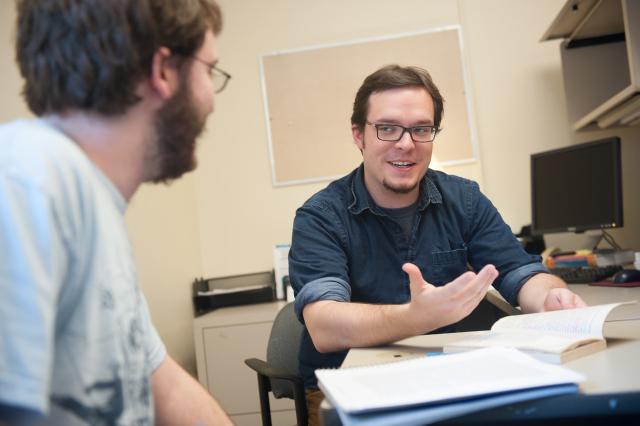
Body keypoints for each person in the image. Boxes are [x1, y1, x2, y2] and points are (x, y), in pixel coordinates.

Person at [288, 64, 586, 424]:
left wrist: (550, 297)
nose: (405, 143)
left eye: (421, 129)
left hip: (445, 375)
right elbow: (324, 325)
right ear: (358, 135)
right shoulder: (321, 216)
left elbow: (520, 271)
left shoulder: (465, 200)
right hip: (348, 385)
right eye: (387, 128)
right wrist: (415, 318)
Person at [0, 0, 233, 424]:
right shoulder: (27, 179)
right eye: (209, 70)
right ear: (163, 71)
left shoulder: (94, 204)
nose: (210, 101)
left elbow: (166, 387)